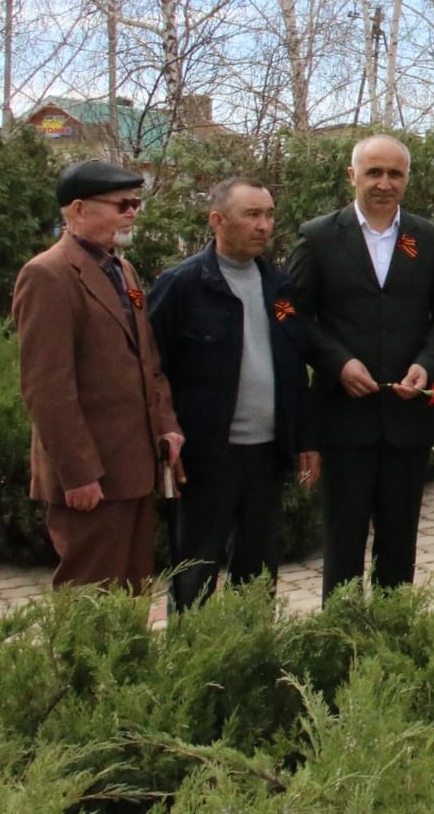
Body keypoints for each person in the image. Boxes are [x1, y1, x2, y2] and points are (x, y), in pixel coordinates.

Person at [288, 134, 434, 597]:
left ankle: (392, 638)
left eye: (395, 174)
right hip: (344, 418)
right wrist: (337, 363)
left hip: (407, 418)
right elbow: (292, 314)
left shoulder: (426, 239)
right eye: (374, 172)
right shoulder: (319, 237)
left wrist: (428, 365)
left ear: (407, 179)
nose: (384, 183)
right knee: (343, 544)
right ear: (352, 176)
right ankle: (342, 641)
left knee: (399, 542)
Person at [148, 177, 319, 612]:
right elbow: (152, 371)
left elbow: (294, 367)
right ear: (217, 221)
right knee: (196, 570)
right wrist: (165, 436)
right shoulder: (182, 285)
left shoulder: (279, 287)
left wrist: (304, 439)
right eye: (252, 215)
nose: (264, 225)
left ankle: (252, 655)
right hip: (206, 457)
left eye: (269, 215)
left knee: (258, 571)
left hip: (266, 456)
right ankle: (192, 661)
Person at [12, 160, 184, 590]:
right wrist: (78, 473)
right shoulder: (47, 274)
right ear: (77, 209)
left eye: (136, 204)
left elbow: (148, 361)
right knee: (90, 600)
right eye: (122, 204)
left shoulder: (122, 270)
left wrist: (168, 428)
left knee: (133, 594)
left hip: (135, 468)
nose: (132, 213)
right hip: (92, 478)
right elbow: (47, 387)